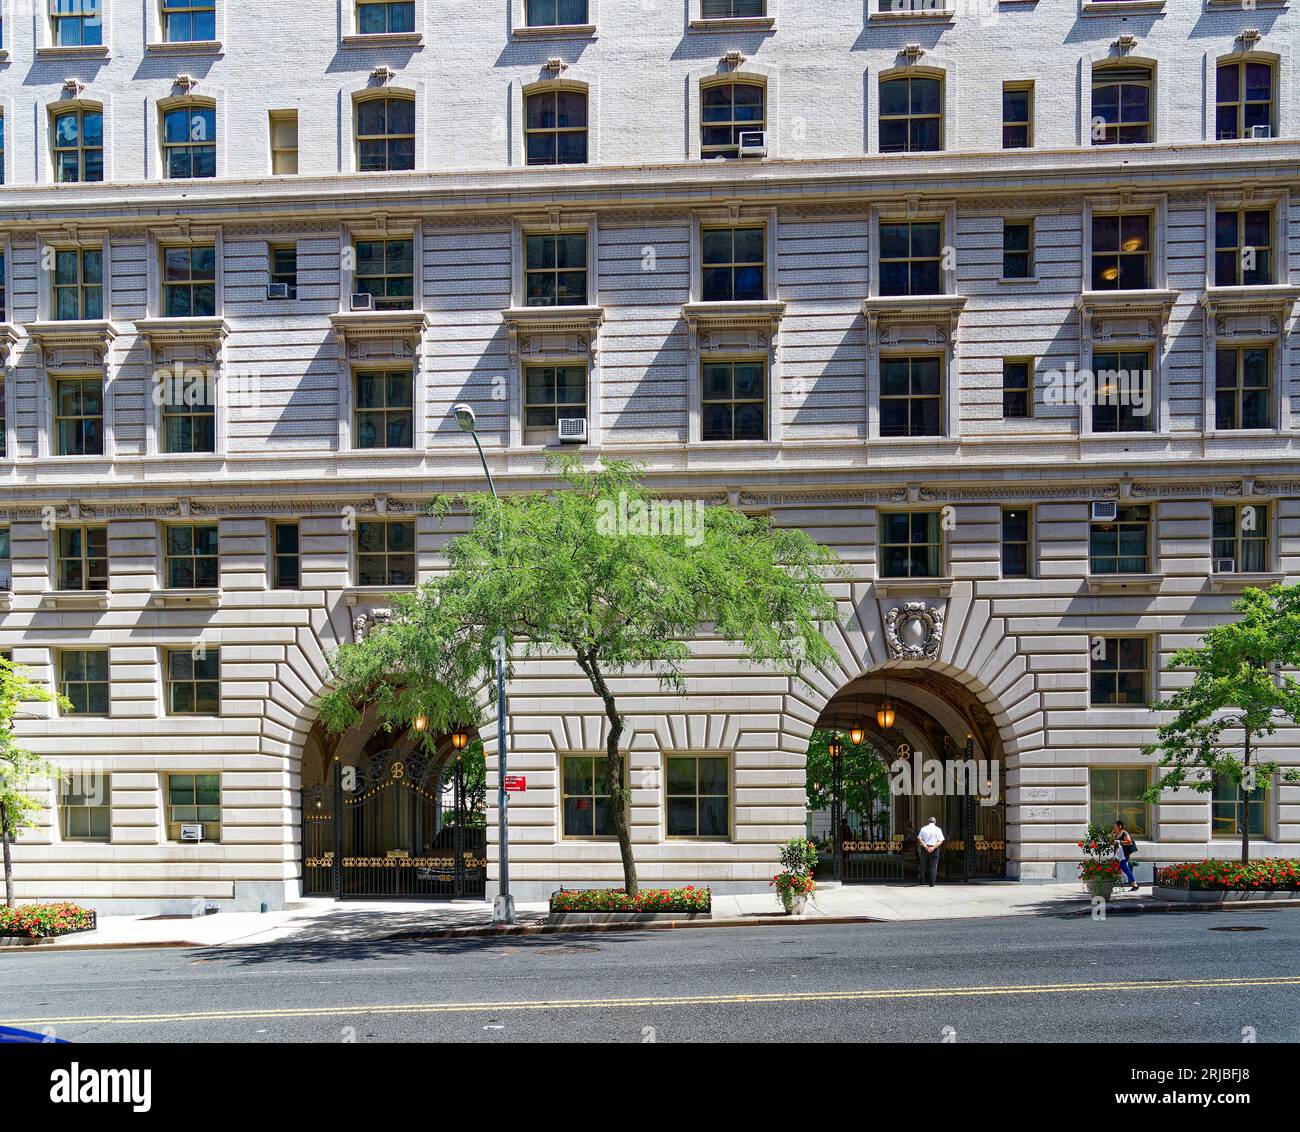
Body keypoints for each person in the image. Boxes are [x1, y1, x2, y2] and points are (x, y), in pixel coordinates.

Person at [917, 816, 944, 887]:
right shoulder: (938, 829)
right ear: (935, 822)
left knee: (923, 864)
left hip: (925, 848)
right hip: (934, 848)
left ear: (928, 821)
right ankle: (932, 883)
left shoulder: (923, 828)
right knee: (933, 866)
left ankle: (922, 880)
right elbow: (941, 840)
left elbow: (919, 838)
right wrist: (933, 847)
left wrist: (925, 846)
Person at [1113, 820, 1139, 892]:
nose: (1114, 827)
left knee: (1121, 867)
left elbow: (1129, 842)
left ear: (1120, 826)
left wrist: (1119, 841)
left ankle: (1110, 884)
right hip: (1118, 855)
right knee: (1125, 868)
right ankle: (1134, 884)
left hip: (1125, 854)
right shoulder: (1116, 834)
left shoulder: (1124, 832)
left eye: (1115, 826)